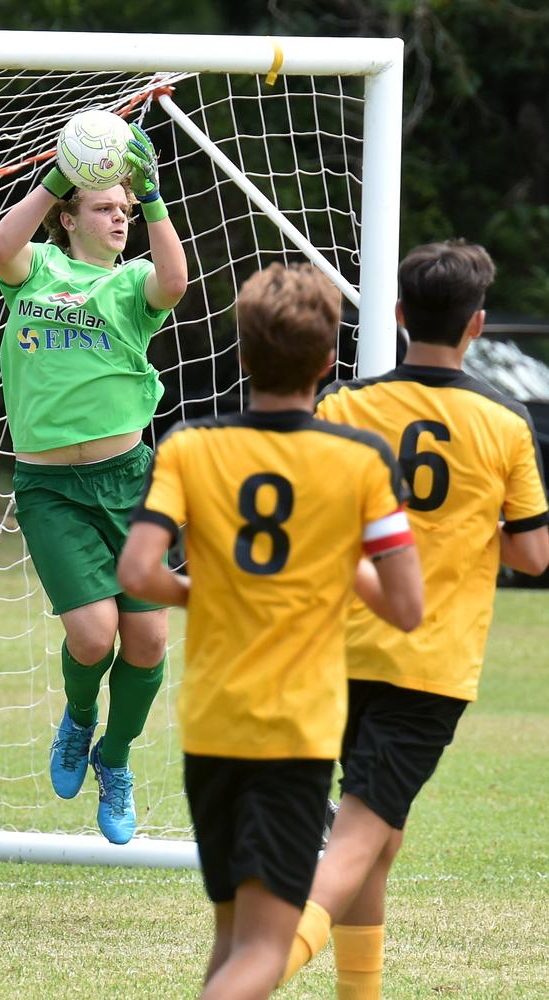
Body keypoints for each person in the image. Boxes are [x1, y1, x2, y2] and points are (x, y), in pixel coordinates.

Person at [117, 262, 423, 1000]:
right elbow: (407, 608)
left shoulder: (190, 446)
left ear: (244, 355)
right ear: (328, 363)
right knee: (263, 947)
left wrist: (208, 594)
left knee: (231, 936)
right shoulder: (358, 460)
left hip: (213, 722)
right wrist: (330, 567)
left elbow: (137, 572)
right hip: (293, 729)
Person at [280, 239, 549, 998]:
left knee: (380, 837)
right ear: (479, 326)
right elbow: (533, 555)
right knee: (362, 831)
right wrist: (466, 529)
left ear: (398, 317)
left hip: (338, 649)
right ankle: (266, 964)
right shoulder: (505, 421)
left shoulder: (346, 404)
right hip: (427, 659)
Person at [0, 122, 188, 844]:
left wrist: (153, 195)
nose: (116, 217)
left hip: (130, 483)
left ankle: (116, 757)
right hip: (51, 492)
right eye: (103, 207)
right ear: (70, 216)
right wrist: (56, 178)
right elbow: (0, 249)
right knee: (95, 635)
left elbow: (174, 281)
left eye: (123, 212)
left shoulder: (133, 283)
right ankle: (78, 720)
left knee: (148, 643)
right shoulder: (36, 268)